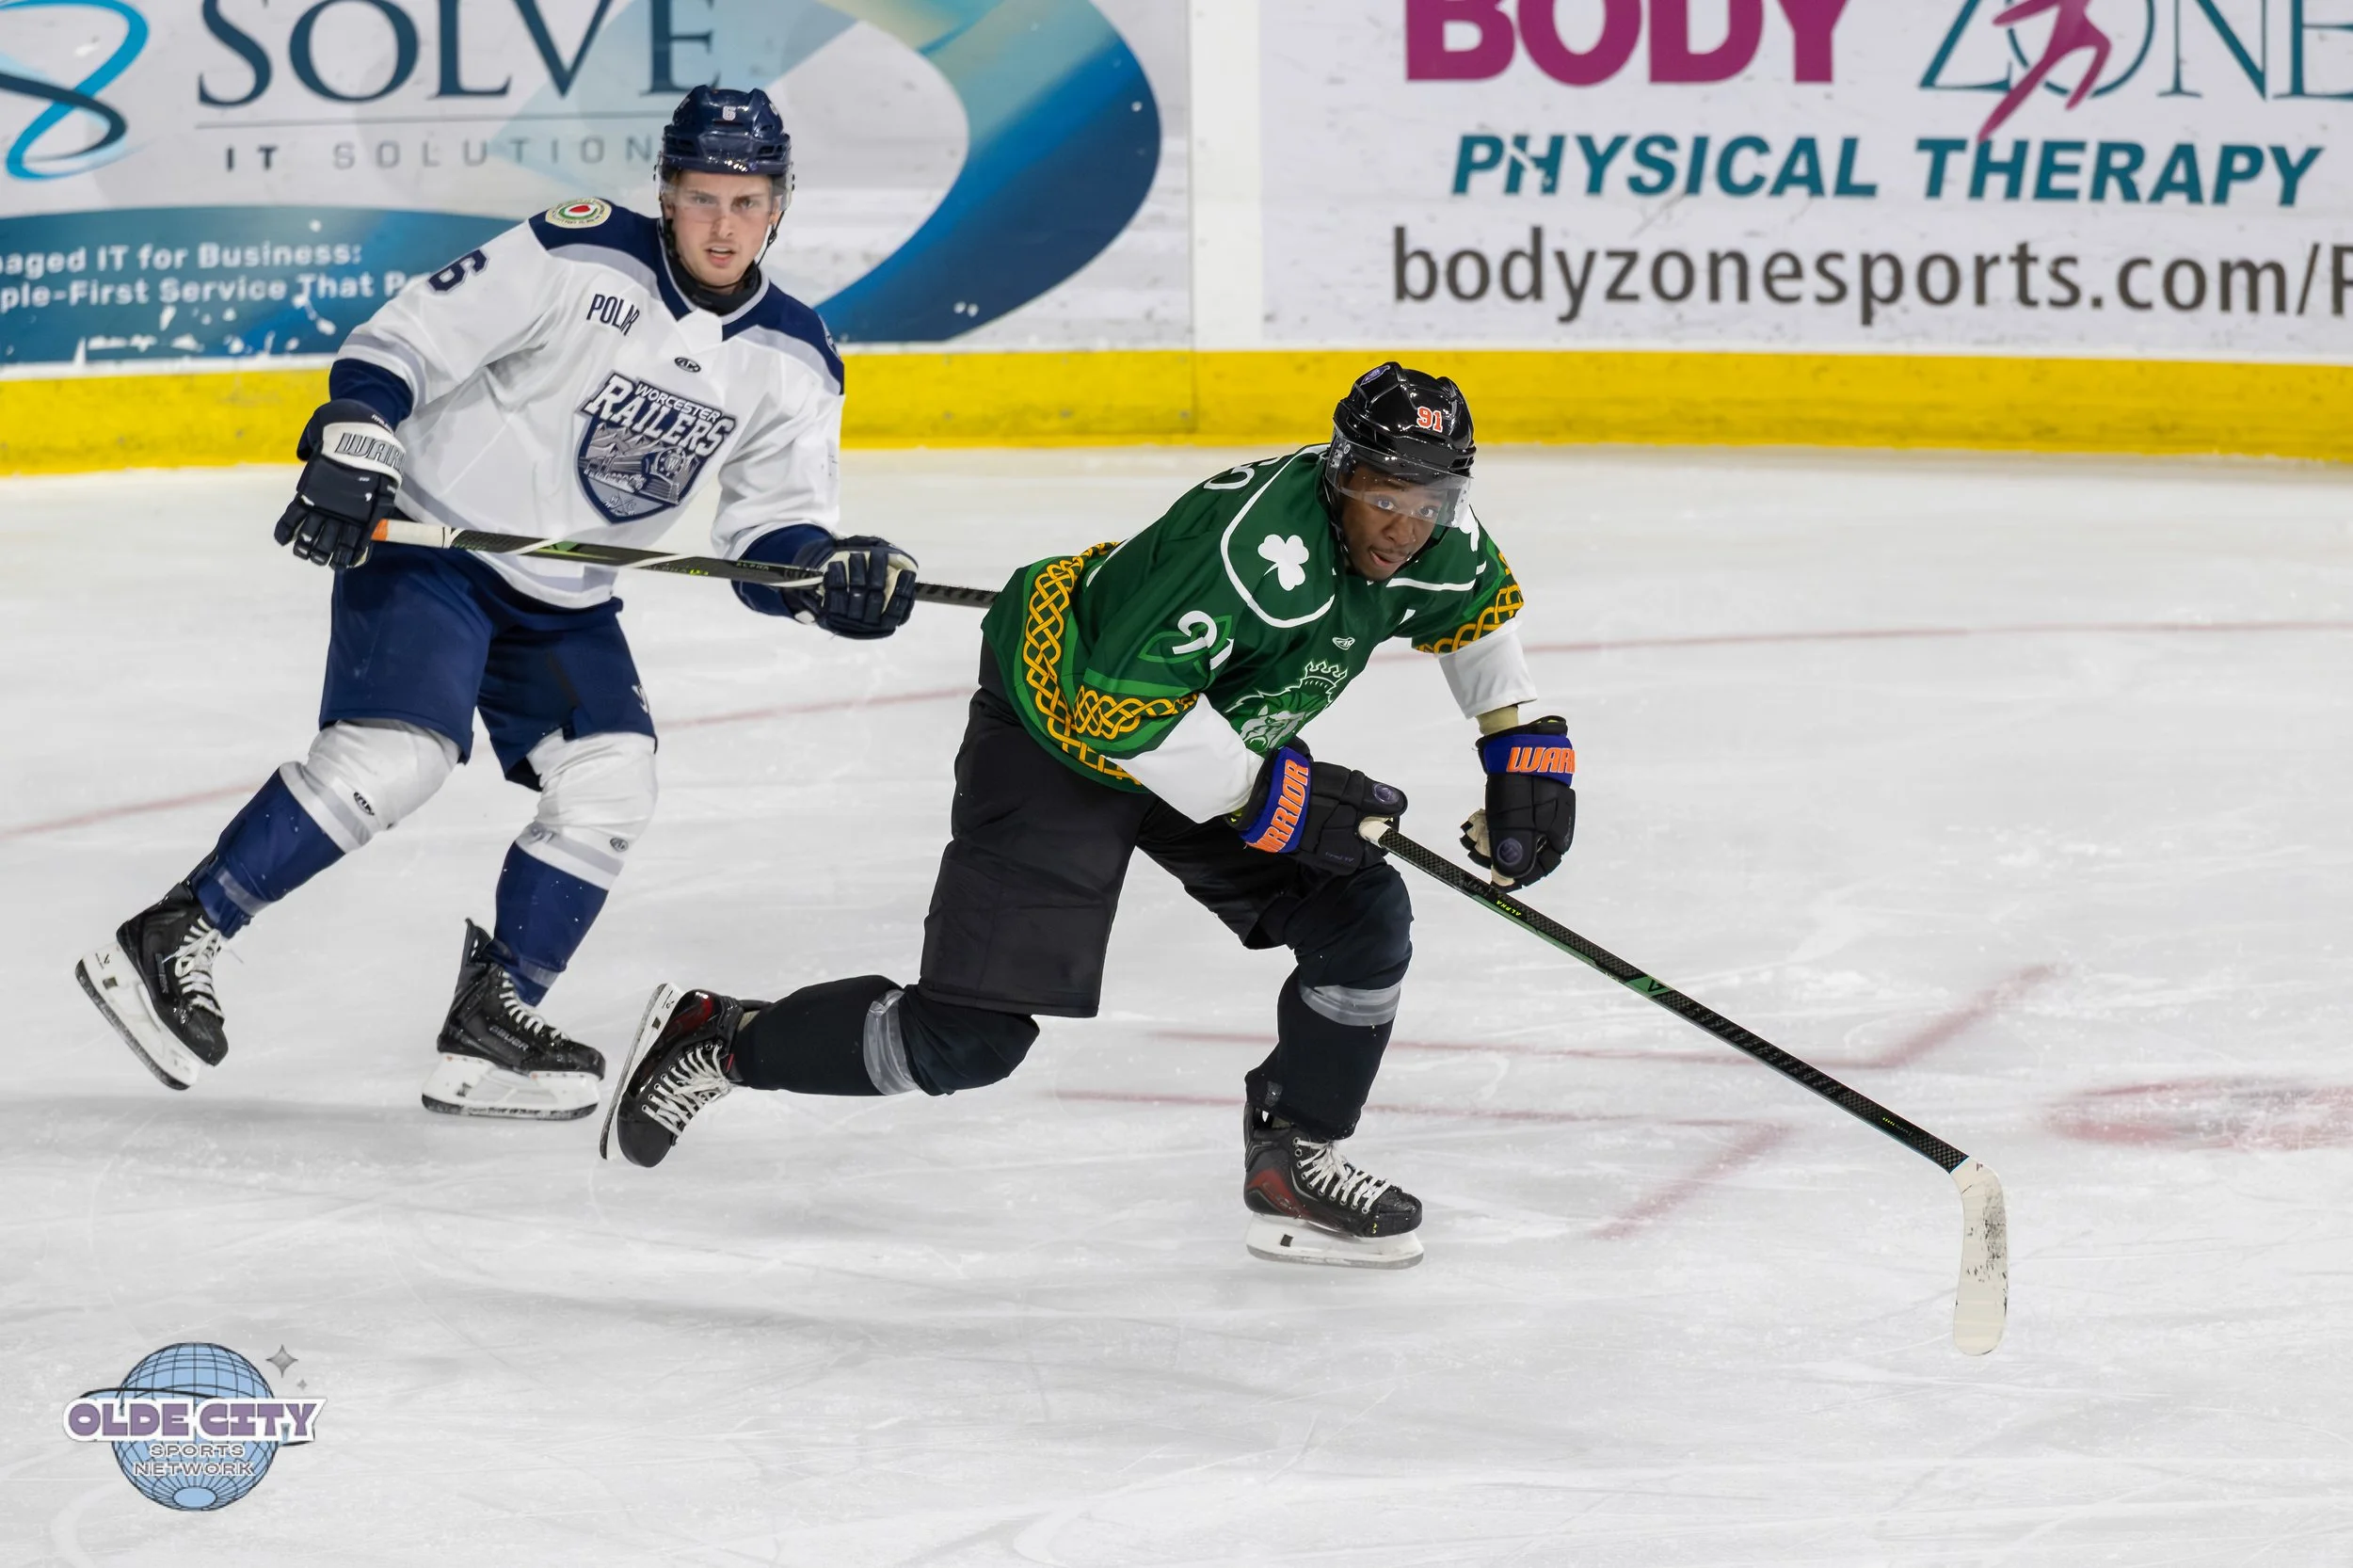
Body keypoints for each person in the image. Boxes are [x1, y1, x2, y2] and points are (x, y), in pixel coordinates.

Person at [598, 363, 1578, 1268]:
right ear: (1338, 470)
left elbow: (1477, 618)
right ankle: (718, 1037)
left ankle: (1293, 1156)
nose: (1405, 523)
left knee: (1362, 919)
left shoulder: (1433, 537)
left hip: (1208, 733)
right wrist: (1280, 800)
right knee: (965, 1043)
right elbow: (1118, 713)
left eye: (1428, 499)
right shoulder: (1244, 550)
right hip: (1061, 725)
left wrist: (1521, 748)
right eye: (1383, 492)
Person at [74, 86, 920, 1122]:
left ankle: (493, 1021)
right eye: (701, 198)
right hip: (436, 541)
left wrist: (826, 579)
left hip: (567, 596)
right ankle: (173, 934)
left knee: (614, 782)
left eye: (746, 202)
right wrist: (356, 432)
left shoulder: (793, 355)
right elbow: (411, 336)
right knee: (397, 758)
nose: (723, 225)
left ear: (780, 205)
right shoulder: (581, 251)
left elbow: (766, 538)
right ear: (664, 191)